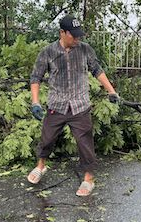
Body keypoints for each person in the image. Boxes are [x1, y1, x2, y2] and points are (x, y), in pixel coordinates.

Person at [28, 14, 119, 196]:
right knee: (47, 139)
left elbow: (97, 70)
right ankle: (40, 167)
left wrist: (111, 91)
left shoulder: (85, 50)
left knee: (85, 142)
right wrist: (35, 102)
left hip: (80, 105)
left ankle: (88, 180)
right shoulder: (48, 52)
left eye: (79, 35)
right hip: (57, 104)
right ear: (62, 32)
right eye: (73, 35)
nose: (77, 39)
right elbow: (36, 77)